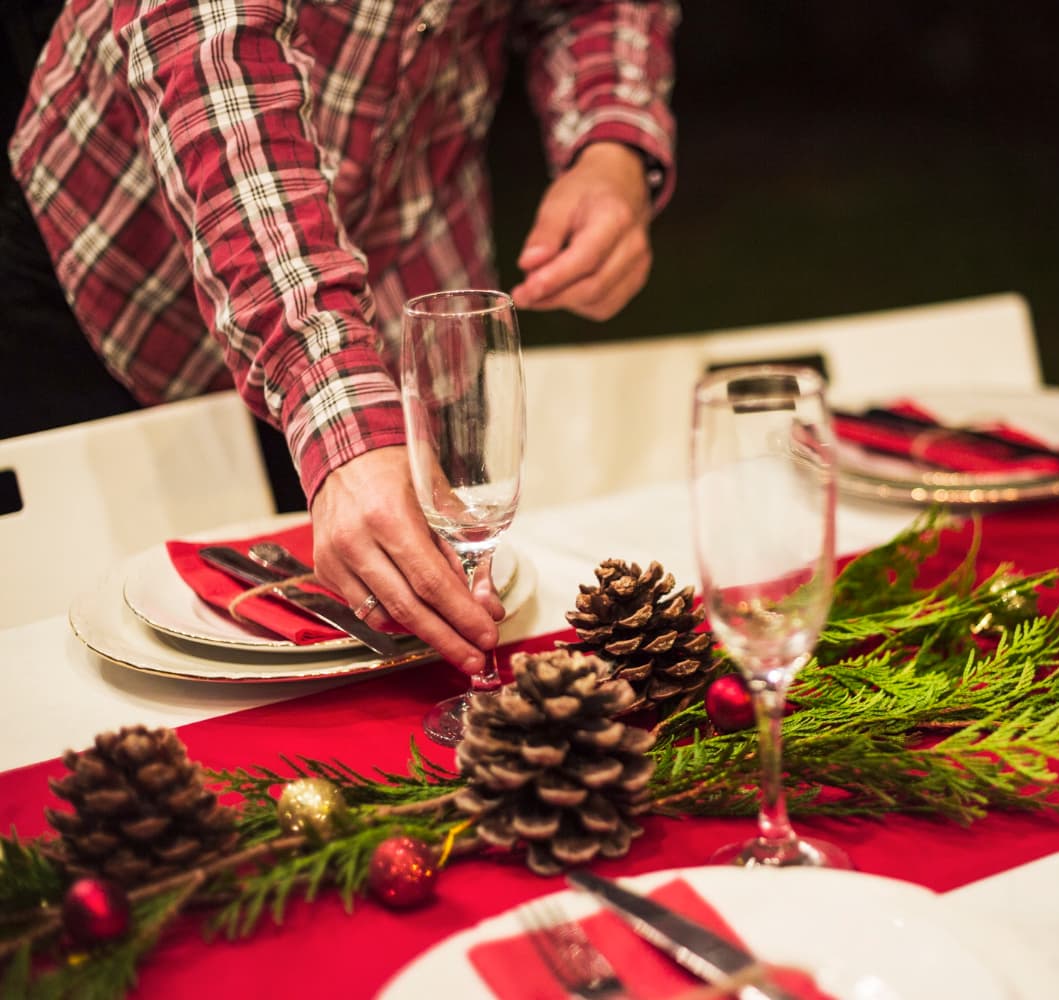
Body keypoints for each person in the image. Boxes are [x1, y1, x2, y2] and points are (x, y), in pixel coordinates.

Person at [4, 0, 678, 673]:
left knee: (371, 643)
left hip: (402, 251)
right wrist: (334, 405)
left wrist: (611, 143)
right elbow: (216, 64)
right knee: (88, 654)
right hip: (119, 267)